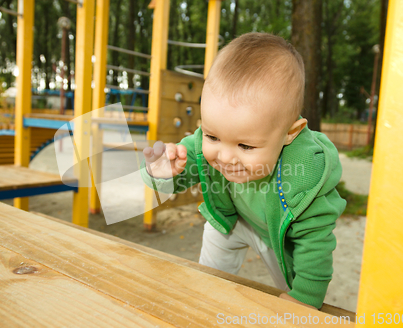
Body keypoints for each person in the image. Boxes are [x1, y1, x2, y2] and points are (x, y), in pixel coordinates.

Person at [140, 32, 346, 310]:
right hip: (236, 220)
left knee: (294, 302)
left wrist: (305, 299)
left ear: (289, 133)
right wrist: (161, 172)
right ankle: (206, 290)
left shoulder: (304, 178)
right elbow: (181, 176)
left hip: (283, 237)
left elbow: (315, 242)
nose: (224, 156)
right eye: (213, 137)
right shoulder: (206, 142)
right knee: (215, 241)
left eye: (246, 146)